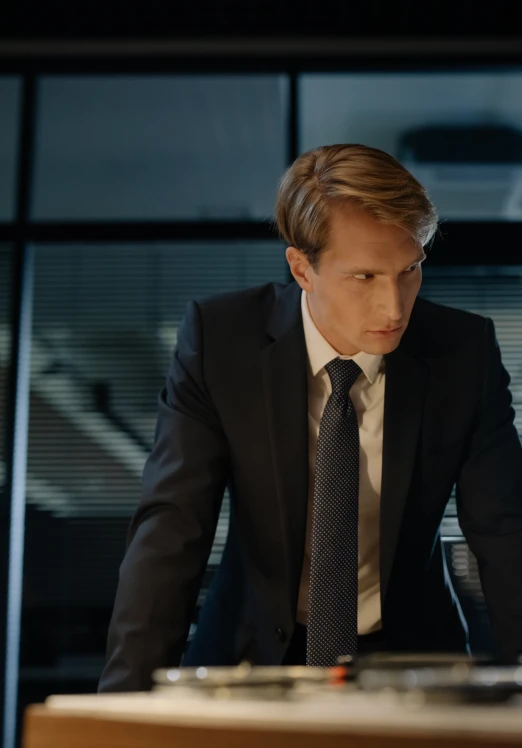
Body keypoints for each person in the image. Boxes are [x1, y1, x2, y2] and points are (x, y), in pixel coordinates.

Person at [99, 143, 522, 692]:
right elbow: (171, 531)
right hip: (248, 658)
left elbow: (505, 531)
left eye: (410, 269)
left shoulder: (463, 354)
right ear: (302, 268)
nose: (394, 308)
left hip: (410, 663)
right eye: (365, 277)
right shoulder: (220, 344)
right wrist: (119, 720)